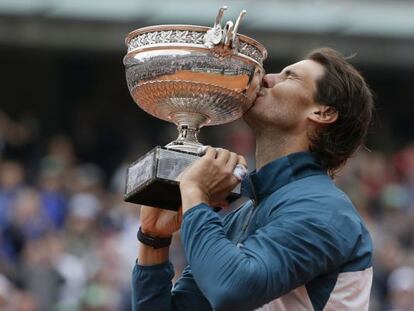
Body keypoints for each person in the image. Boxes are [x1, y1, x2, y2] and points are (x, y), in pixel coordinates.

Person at [132, 48, 374, 311]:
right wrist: (154, 240)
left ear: (322, 113)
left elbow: (232, 290)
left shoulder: (325, 210)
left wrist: (195, 193)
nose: (267, 78)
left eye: (289, 76)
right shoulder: (245, 212)